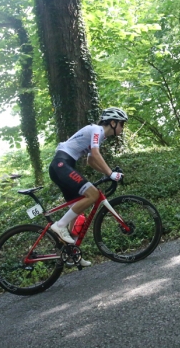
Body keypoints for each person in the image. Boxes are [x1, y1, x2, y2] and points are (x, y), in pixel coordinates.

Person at [48, 107, 128, 266]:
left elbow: (91, 161)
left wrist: (106, 173)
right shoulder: (97, 129)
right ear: (112, 123)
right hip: (62, 164)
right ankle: (60, 226)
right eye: (121, 124)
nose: (122, 128)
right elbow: (96, 154)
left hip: (62, 165)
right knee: (93, 194)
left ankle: (71, 253)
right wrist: (111, 173)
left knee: (78, 213)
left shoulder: (100, 136)